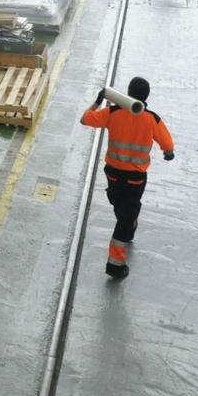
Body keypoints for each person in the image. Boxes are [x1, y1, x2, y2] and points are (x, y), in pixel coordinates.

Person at [80, 77, 175, 279]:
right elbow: (167, 143)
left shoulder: (113, 112)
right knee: (125, 218)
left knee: (121, 208)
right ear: (146, 96)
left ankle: (129, 224)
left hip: (113, 174)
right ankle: (115, 265)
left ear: (127, 93)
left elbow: (85, 118)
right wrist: (168, 152)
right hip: (135, 178)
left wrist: (98, 101)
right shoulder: (152, 119)